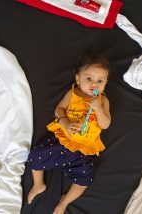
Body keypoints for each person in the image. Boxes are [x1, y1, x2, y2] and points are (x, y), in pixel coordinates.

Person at [26, 54, 111, 214]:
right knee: (35, 156)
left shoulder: (103, 101)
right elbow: (58, 110)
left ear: (106, 82)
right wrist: (65, 122)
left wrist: (99, 109)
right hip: (63, 141)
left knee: (85, 180)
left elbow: (105, 124)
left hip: (83, 151)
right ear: (78, 79)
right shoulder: (73, 94)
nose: (95, 84)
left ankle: (64, 202)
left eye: (100, 81)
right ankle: (38, 184)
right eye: (89, 79)